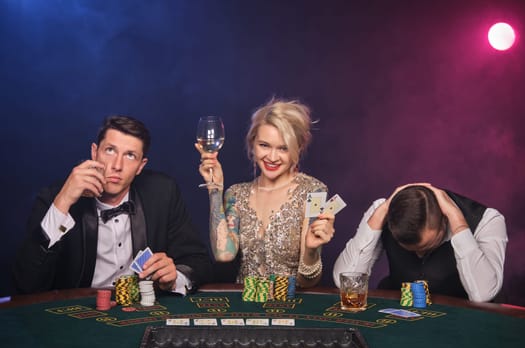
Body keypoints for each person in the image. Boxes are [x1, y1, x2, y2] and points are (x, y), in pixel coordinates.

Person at [12, 115, 212, 295]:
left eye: (130, 155)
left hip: (143, 311)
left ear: (141, 166)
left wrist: (175, 276)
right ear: (94, 152)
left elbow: (198, 260)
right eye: (110, 150)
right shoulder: (55, 198)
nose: (117, 165)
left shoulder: (162, 192)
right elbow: (26, 284)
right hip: (76, 316)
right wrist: (63, 203)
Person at [196, 99, 335, 287]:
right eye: (264, 145)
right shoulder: (236, 194)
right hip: (246, 306)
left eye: (283, 148)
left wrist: (311, 251)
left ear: (298, 148)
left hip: (290, 307)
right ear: (252, 143)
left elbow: (307, 282)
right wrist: (214, 188)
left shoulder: (314, 192)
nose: (272, 157)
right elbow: (224, 254)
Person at [333, 183, 508, 302]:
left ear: (444, 221)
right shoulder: (383, 212)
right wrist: (381, 213)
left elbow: (482, 294)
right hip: (398, 319)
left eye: (427, 246)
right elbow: (345, 283)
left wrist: (459, 223)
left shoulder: (487, 220)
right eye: (410, 249)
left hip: (461, 324)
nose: (419, 255)